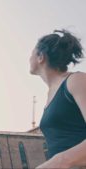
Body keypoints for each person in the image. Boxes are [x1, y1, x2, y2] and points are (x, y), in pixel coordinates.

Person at [29, 29, 86, 169]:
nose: (29, 58)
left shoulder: (76, 80)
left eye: (31, 54)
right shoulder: (50, 95)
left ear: (40, 57)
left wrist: (60, 161)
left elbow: (62, 160)